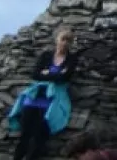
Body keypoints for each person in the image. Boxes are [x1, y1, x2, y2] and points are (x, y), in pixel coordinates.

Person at [9, 26, 80, 160]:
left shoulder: (71, 59)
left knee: (40, 136)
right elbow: (35, 74)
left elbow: (66, 77)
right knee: (25, 135)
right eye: (63, 39)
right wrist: (57, 74)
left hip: (52, 101)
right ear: (57, 40)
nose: (65, 43)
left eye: (68, 41)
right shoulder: (46, 55)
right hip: (34, 98)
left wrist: (47, 73)